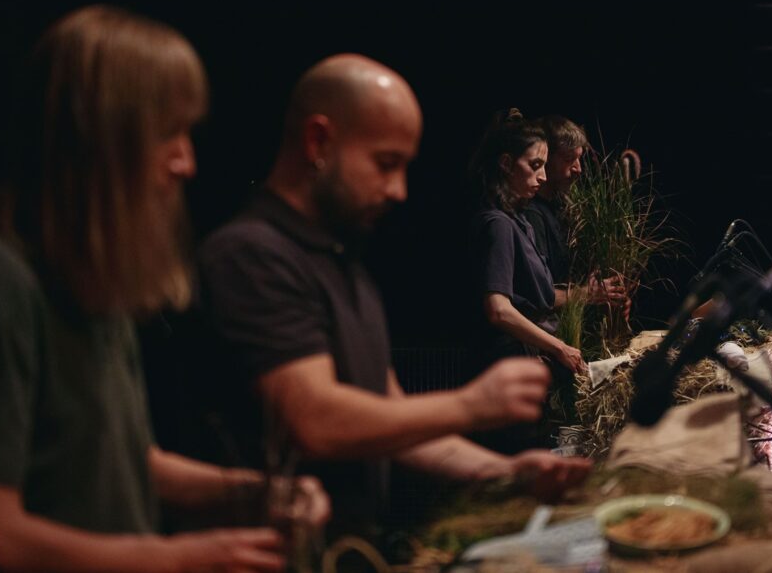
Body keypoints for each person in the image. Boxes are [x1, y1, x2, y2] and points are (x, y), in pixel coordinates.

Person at [0, 5, 327, 573]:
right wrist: (175, 559)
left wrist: (258, 491)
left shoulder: (94, 283)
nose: (187, 162)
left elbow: (131, 460)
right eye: (168, 134)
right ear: (97, 138)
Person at [198, 54, 590, 535]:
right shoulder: (252, 254)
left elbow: (391, 423)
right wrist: (470, 404)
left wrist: (507, 472)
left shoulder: (344, 264)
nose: (400, 190)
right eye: (386, 164)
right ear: (318, 141)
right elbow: (315, 420)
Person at [468, 109, 588, 381]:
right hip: (504, 369)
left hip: (524, 360)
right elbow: (499, 309)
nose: (543, 176)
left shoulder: (519, 223)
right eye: (535, 166)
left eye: (545, 166)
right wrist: (559, 347)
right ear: (507, 164)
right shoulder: (497, 224)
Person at [523, 115, 631, 316]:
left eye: (579, 158)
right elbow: (536, 295)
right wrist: (588, 294)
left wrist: (610, 297)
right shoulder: (531, 215)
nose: (578, 169)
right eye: (568, 159)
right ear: (546, 158)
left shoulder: (564, 209)